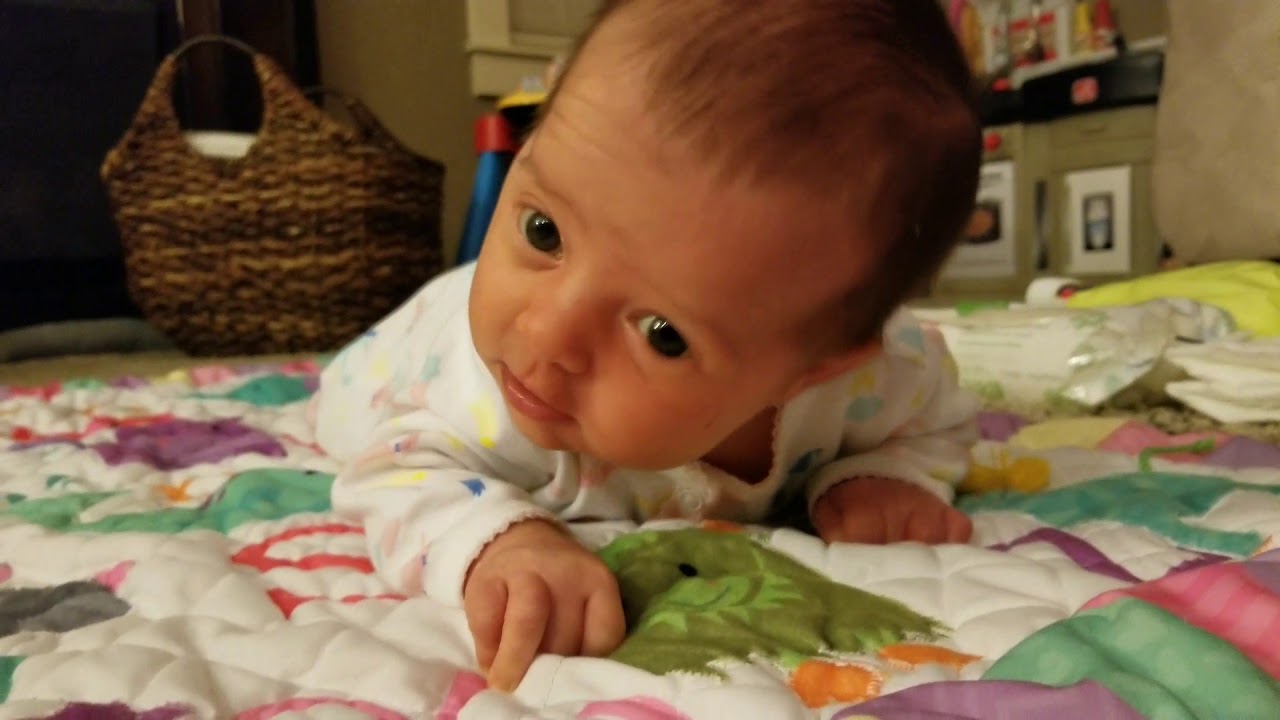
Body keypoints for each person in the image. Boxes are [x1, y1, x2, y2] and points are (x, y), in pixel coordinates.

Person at [310, 0, 981, 693]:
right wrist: (501, 539)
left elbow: (944, 418)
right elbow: (393, 469)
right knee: (337, 409)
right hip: (405, 348)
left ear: (813, 370)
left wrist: (887, 473)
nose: (544, 334)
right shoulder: (488, 389)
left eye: (662, 334)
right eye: (543, 230)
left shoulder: (883, 377)